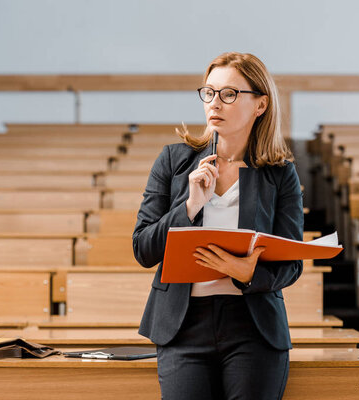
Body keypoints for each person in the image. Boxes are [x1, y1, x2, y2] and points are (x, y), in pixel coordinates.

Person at [132, 52, 304, 400]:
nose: (215, 103)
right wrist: (191, 204)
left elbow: (292, 262)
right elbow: (143, 249)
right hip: (183, 326)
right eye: (209, 93)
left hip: (253, 326)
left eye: (229, 94)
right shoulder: (173, 161)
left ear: (260, 105)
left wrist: (248, 273)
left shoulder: (280, 172)